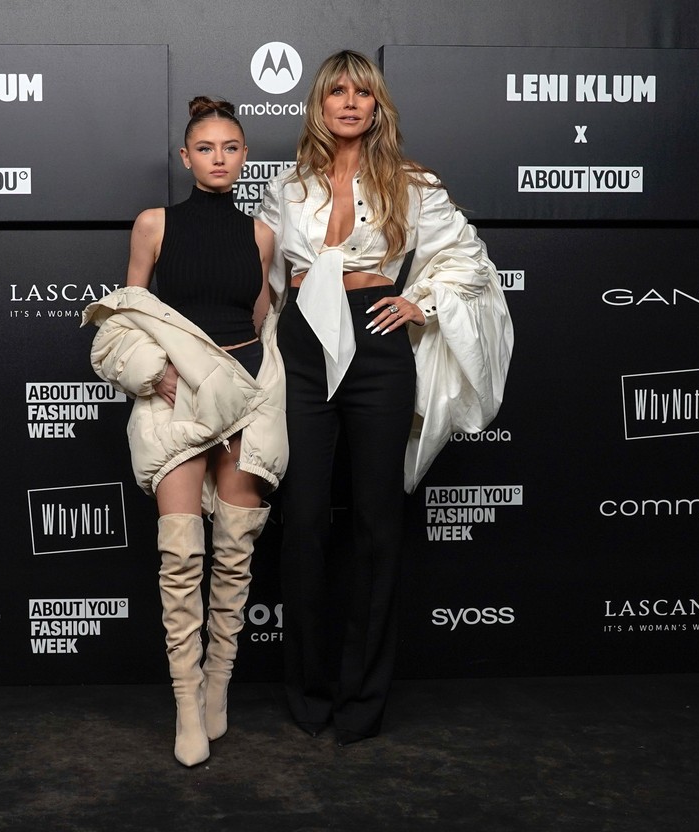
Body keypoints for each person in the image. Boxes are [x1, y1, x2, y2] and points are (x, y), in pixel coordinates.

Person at [255, 50, 512, 745]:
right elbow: (265, 284)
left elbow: (467, 259)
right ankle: (308, 692)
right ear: (318, 104)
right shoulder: (286, 188)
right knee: (304, 520)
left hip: (376, 343)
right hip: (305, 348)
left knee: (377, 522)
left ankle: (364, 699)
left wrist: (420, 301)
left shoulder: (413, 183)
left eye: (362, 92)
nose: (349, 101)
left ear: (377, 106)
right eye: (336, 91)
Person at [83, 97, 286, 766]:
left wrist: (258, 384)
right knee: (181, 557)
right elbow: (127, 313)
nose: (218, 158)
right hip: (178, 399)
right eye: (206, 148)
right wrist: (156, 374)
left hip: (246, 396)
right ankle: (185, 703)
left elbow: (260, 320)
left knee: (235, 550)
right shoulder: (154, 224)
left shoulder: (262, 235)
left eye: (230, 147)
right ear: (186, 156)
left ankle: (218, 684)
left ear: (244, 156)